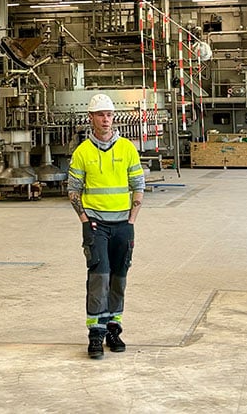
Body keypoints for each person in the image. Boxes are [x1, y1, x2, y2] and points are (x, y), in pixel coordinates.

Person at [67, 93, 145, 359]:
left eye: (109, 114)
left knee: (119, 279)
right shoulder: (82, 152)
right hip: (97, 226)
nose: (106, 119)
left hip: (123, 225)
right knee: (99, 278)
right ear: (91, 118)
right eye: (100, 114)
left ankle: (114, 328)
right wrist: (86, 223)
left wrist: (131, 221)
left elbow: (139, 186)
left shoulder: (127, 149)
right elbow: (73, 191)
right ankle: (95, 334)